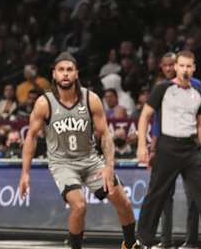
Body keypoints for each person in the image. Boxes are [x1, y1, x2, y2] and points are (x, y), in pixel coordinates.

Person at [19, 52, 137, 249]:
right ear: (54, 74)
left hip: (90, 160)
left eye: (69, 70)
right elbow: (30, 137)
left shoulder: (91, 99)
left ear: (76, 74)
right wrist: (25, 173)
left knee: (123, 201)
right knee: (79, 205)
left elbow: (105, 135)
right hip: (62, 163)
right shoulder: (44, 103)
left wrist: (109, 166)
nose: (65, 74)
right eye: (61, 70)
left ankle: (131, 244)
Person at [134, 51, 201, 249]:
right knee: (156, 194)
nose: (185, 69)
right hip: (167, 146)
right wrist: (142, 145)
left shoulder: (198, 91)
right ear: (176, 67)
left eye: (188, 66)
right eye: (181, 65)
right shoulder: (163, 88)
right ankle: (143, 239)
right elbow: (144, 117)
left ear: (193, 68)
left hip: (190, 148)